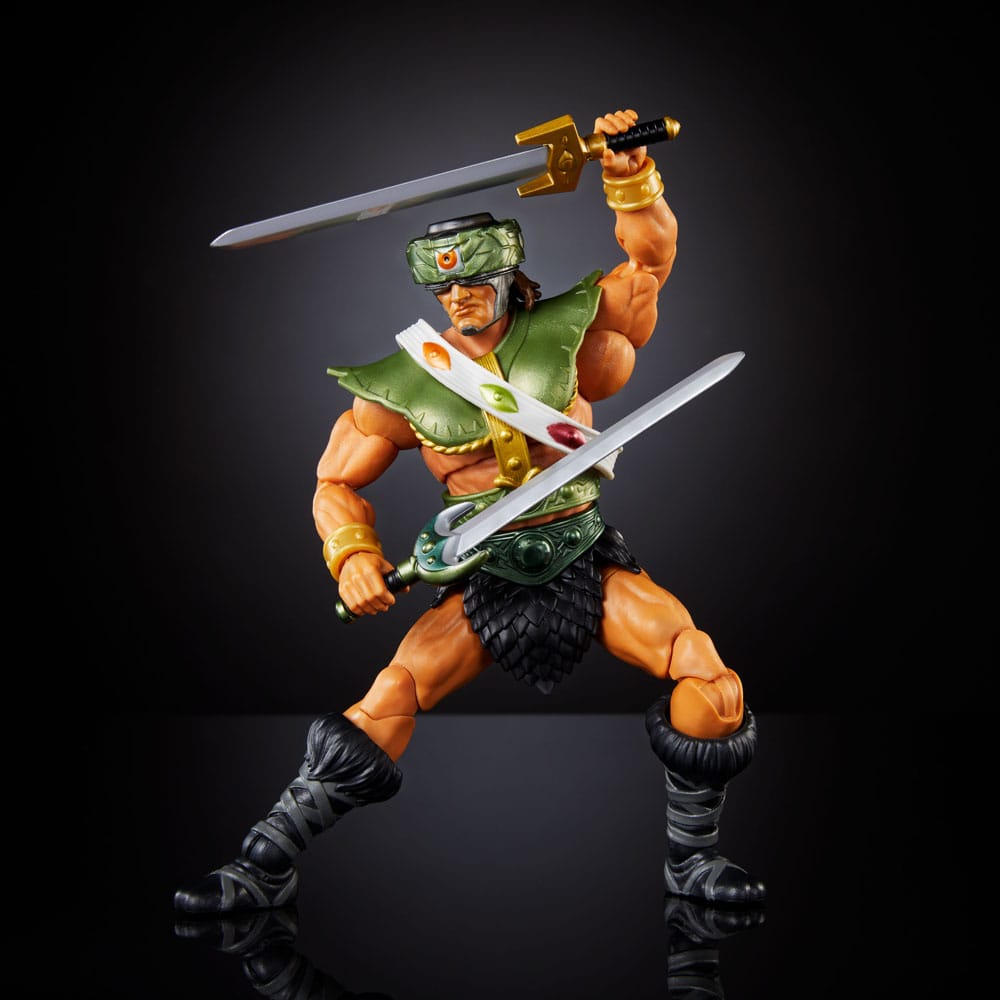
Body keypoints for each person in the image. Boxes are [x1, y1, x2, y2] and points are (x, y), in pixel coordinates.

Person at [174, 108, 765, 915]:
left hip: (580, 550)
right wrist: (353, 558)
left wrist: (629, 178)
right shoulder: (402, 383)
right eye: (444, 286)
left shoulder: (572, 333)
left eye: (474, 283)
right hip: (482, 572)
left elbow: (650, 262)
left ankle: (693, 863)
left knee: (711, 684)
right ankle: (263, 865)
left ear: (510, 278)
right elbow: (334, 483)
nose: (459, 298)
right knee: (386, 704)